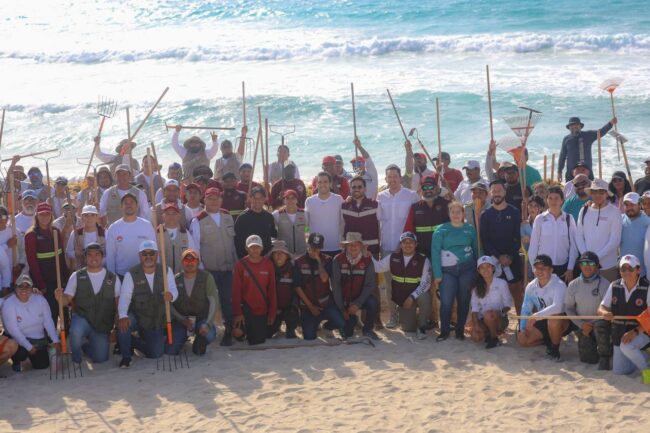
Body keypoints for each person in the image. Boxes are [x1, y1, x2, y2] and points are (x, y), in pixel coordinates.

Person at [55, 242, 120, 365]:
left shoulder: (113, 278)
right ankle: (76, 360)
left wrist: (116, 329)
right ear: (85, 257)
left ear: (102, 256)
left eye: (97, 254)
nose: (93, 257)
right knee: (75, 331)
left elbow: (118, 306)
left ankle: (85, 346)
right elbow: (66, 301)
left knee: (100, 358)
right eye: (89, 255)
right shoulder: (76, 276)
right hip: (83, 319)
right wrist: (60, 298)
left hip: (102, 324)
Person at [117, 240, 178, 368]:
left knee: (155, 353)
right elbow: (125, 296)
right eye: (144, 254)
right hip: (138, 316)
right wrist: (122, 315)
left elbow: (174, 290)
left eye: (152, 253)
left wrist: (171, 296)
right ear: (139, 256)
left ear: (157, 255)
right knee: (123, 325)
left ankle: (133, 341)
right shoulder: (131, 274)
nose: (148, 256)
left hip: (156, 320)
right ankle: (126, 357)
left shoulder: (166, 270)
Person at [189, 187, 237, 346]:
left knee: (227, 299)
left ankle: (228, 330)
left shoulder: (227, 216)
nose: (214, 201)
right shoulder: (198, 220)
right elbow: (195, 247)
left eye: (217, 198)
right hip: (209, 269)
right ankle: (205, 330)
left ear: (221, 200)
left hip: (228, 267)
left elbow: (232, 243)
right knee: (208, 302)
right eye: (210, 198)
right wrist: (200, 269)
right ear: (204, 200)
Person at [377, 164, 420, 328]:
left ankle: (410, 314)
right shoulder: (380, 197)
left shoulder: (411, 195)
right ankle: (392, 317)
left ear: (400, 178)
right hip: (387, 247)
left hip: (407, 248)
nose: (393, 179)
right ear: (386, 179)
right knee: (389, 285)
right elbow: (377, 221)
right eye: (390, 177)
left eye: (395, 176)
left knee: (408, 282)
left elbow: (417, 220)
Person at [431, 201, 478, 341]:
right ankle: (444, 331)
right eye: (453, 212)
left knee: (464, 300)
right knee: (446, 301)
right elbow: (435, 252)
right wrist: (437, 274)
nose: (456, 215)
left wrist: (479, 270)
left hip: (467, 269)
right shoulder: (441, 230)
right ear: (449, 214)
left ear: (463, 214)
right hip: (447, 271)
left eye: (459, 212)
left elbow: (476, 249)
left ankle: (459, 330)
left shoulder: (470, 229)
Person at [598, 254, 650, 378]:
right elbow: (601, 308)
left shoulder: (648, 287)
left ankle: (646, 370)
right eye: (623, 269)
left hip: (642, 331)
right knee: (620, 371)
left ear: (638, 270)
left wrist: (635, 332)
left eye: (630, 269)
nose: (626, 272)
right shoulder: (614, 285)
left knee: (626, 346)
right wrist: (605, 313)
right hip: (619, 334)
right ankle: (645, 355)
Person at [373, 232, 432, 339]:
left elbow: (426, 283)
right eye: (404, 242)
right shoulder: (392, 257)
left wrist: (412, 297)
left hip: (416, 296)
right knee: (408, 328)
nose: (408, 245)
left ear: (416, 244)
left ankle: (422, 326)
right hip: (403, 300)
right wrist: (368, 256)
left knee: (425, 297)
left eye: (411, 242)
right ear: (400, 245)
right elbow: (377, 267)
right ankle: (415, 318)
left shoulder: (423, 260)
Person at [517, 255, 574, 361]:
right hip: (542, 319)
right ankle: (548, 341)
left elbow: (558, 307)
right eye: (537, 268)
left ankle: (554, 350)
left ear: (551, 270)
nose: (539, 271)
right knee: (522, 340)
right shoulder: (531, 286)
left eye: (543, 268)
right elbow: (525, 308)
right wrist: (522, 329)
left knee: (553, 319)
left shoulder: (559, 285)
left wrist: (536, 316)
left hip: (562, 320)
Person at [1, 274, 60, 372]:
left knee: (42, 365)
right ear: (15, 288)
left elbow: (48, 321)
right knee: (21, 353)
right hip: (18, 340)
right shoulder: (9, 304)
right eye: (20, 286)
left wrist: (55, 340)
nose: (24, 290)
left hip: (38, 339)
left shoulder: (41, 300)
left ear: (32, 288)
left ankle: (31, 357)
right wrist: (28, 347)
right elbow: (13, 330)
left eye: (27, 286)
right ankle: (16, 361)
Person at [480, 180, 524, 313]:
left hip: (512, 258)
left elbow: (517, 238)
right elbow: (485, 240)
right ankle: (500, 321)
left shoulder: (515, 212)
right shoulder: (485, 215)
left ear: (505, 192)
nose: (497, 194)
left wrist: (509, 256)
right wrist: (499, 257)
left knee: (517, 291)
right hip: (494, 260)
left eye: (499, 190)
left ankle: (521, 321)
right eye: (494, 191)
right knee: (495, 293)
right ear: (490, 193)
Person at [24, 202, 70, 325]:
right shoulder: (31, 235)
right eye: (41, 214)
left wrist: (66, 278)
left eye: (47, 214)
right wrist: (41, 284)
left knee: (64, 311)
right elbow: (32, 263)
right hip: (44, 282)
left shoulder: (55, 231)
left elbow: (61, 257)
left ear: (51, 215)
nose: (44, 217)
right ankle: (50, 335)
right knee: (50, 312)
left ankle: (66, 333)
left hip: (58, 279)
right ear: (37, 216)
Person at [564, 251, 612, 369]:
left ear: (597, 266)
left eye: (591, 263)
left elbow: (609, 309)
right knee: (588, 359)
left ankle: (605, 357)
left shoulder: (606, 284)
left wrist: (593, 324)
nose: (587, 266)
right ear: (580, 266)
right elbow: (569, 309)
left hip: (600, 324)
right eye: (584, 263)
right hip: (582, 326)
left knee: (601, 327)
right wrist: (581, 325)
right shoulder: (573, 285)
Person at [293, 233, 345, 340]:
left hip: (325, 304)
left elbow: (324, 279)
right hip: (308, 306)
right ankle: (314, 325)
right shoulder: (299, 261)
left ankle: (327, 327)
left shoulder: (327, 260)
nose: (314, 250)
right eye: (312, 247)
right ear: (308, 245)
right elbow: (297, 287)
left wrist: (319, 261)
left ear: (321, 247)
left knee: (341, 322)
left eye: (317, 248)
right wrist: (311, 307)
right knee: (309, 337)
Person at [168, 249, 219, 355]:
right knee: (170, 350)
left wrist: (207, 324)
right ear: (182, 263)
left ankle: (199, 339)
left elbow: (213, 301)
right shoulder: (175, 279)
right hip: (182, 321)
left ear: (198, 262)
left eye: (193, 260)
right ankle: (183, 339)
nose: (189, 263)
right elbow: (169, 304)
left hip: (201, 319)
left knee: (209, 336)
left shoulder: (207, 277)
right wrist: (181, 319)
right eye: (186, 261)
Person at [330, 233, 380, 340]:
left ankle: (368, 330)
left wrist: (357, 304)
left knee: (373, 302)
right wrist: (342, 309)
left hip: (360, 298)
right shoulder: (337, 259)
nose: (353, 247)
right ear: (345, 246)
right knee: (347, 334)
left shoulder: (368, 260)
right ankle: (352, 320)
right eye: (350, 244)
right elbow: (335, 286)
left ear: (361, 246)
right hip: (343, 300)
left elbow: (369, 285)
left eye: (356, 244)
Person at [232, 235, 277, 346]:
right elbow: (236, 291)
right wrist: (238, 313)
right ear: (246, 248)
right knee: (238, 333)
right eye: (251, 247)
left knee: (257, 340)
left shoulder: (268, 264)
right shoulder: (240, 265)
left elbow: (272, 290)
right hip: (245, 310)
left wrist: (272, 313)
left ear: (262, 248)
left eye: (257, 247)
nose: (255, 250)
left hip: (261, 310)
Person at [575, 179, 623, 282]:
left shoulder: (615, 212)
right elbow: (578, 236)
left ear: (607, 194)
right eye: (594, 192)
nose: (598, 195)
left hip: (608, 267)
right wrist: (587, 258)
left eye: (601, 192)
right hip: (587, 265)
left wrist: (595, 258)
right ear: (591, 194)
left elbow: (615, 240)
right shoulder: (584, 210)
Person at [528, 186, 578, 282]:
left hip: (563, 268)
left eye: (556, 198)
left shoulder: (569, 219)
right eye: (550, 198)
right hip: (543, 267)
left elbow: (573, 246)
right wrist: (535, 269)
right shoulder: (540, 219)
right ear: (546, 200)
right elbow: (533, 246)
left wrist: (570, 268)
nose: (553, 201)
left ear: (562, 200)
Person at [105, 192, 157, 279]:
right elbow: (110, 257)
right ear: (121, 206)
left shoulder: (147, 225)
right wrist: (112, 278)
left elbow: (154, 251)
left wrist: (155, 272)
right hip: (121, 275)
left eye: (132, 202)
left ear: (137, 206)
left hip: (144, 275)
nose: (129, 205)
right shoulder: (113, 228)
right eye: (126, 203)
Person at [470, 256, 513, 349]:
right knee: (476, 337)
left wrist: (499, 312)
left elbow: (508, 305)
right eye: (482, 267)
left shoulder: (502, 283)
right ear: (478, 270)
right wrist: (476, 325)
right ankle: (489, 333)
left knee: (489, 315)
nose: (485, 270)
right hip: (483, 319)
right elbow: (474, 308)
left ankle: (494, 338)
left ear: (493, 268)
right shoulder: (476, 288)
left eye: (488, 266)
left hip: (499, 318)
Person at [558, 116, 616, 181]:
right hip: (571, 172)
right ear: (569, 128)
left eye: (576, 125)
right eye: (572, 126)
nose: (574, 127)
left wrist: (610, 123)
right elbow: (562, 156)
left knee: (589, 187)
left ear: (580, 126)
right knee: (570, 187)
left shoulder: (588, 135)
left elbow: (601, 132)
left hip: (586, 171)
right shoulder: (566, 139)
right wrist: (559, 171)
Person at [305, 172, 344, 256]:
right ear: (316, 184)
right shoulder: (309, 201)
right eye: (320, 182)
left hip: (335, 246)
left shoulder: (338, 199)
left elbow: (343, 221)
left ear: (330, 184)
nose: (322, 184)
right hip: (316, 247)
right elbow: (305, 225)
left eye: (325, 182)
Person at [267, 240, 300, 339]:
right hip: (272, 308)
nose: (279, 255)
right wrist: (272, 309)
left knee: (292, 318)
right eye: (276, 253)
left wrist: (294, 306)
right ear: (272, 255)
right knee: (267, 334)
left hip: (288, 306)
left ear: (287, 256)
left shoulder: (293, 268)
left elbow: (296, 290)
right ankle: (276, 327)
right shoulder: (267, 269)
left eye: (282, 253)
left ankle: (290, 328)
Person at [234, 186, 277, 258]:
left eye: (260, 198)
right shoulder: (242, 218)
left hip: (265, 258)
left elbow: (273, 236)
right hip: (248, 258)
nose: (257, 201)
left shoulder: (269, 217)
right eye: (255, 198)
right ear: (250, 198)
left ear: (264, 199)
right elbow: (237, 241)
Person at [160, 202, 198, 274]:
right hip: (163, 276)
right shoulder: (157, 233)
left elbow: (193, 253)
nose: (171, 216)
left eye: (174, 213)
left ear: (179, 216)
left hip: (182, 275)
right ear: (163, 216)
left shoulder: (185, 233)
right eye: (168, 214)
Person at [620, 192, 650, 278]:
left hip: (643, 273)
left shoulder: (648, 220)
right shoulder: (619, 220)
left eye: (633, 204)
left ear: (639, 205)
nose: (629, 208)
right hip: (624, 271)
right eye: (626, 205)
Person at [66, 205, 105, 271]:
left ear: (96, 217)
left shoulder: (104, 232)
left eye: (92, 215)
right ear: (82, 217)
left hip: (100, 270)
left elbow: (109, 254)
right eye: (86, 215)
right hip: (81, 270)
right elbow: (68, 252)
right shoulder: (75, 233)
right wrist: (76, 253)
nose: (89, 218)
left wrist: (95, 262)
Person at [272, 190, 307, 256]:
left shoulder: (305, 213)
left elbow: (308, 231)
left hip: (302, 253)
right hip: (284, 254)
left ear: (297, 200)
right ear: (284, 201)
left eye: (293, 198)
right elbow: (272, 232)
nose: (290, 200)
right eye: (287, 198)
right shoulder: (276, 214)